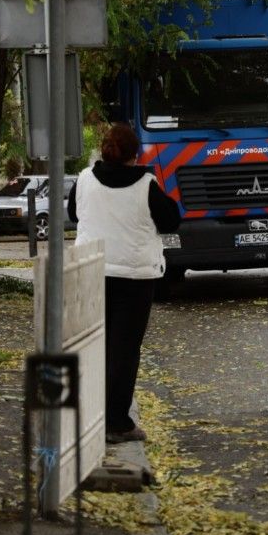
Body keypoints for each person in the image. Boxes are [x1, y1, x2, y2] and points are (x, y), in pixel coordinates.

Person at [67, 123, 180, 443]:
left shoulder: (85, 180)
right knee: (124, 349)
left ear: (103, 150)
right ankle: (116, 421)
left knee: (96, 345)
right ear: (135, 154)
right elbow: (171, 220)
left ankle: (91, 416)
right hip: (134, 278)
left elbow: (74, 214)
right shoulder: (147, 186)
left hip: (92, 269)